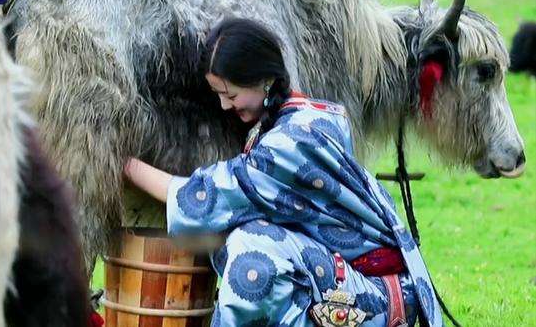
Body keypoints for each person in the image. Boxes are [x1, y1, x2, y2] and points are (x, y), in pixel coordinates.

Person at [123, 18, 443, 327]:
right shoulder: (304, 115)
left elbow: (208, 196)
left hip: (376, 295)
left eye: (231, 95)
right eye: (219, 95)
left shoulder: (291, 146)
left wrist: (124, 163)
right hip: (355, 277)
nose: (224, 106)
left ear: (265, 80)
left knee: (252, 249)